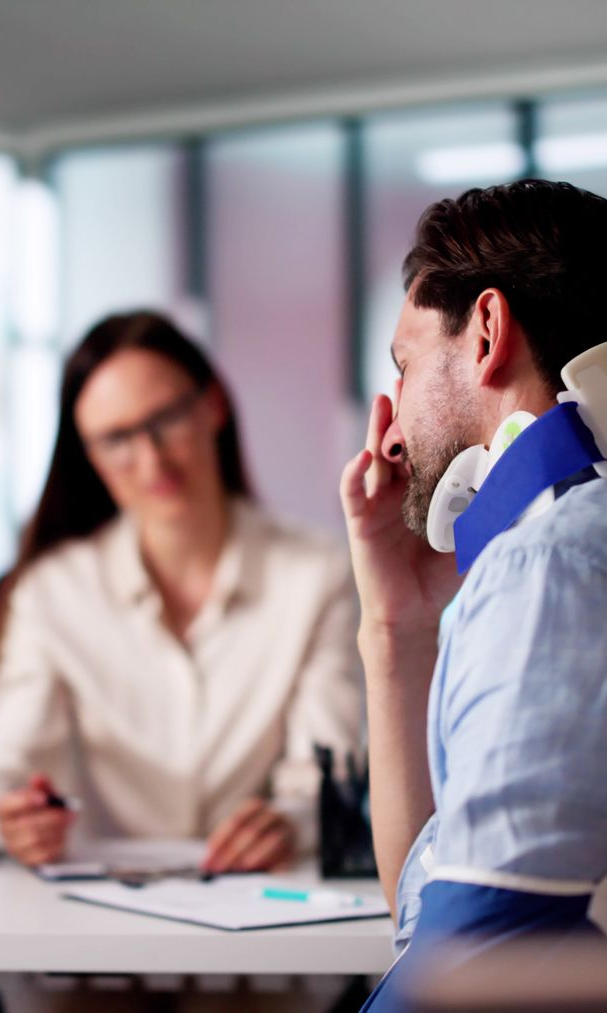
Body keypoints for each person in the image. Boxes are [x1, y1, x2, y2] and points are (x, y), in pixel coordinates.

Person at [339, 180, 607, 1009]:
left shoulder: (556, 569)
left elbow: (475, 972)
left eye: (405, 364)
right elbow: (429, 913)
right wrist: (398, 623)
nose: (389, 431)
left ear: (487, 331)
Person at [0, 309, 361, 875]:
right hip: (100, 934)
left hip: (269, 924)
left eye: (166, 418)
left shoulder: (317, 574)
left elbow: (330, 770)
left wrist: (291, 821)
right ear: (89, 455)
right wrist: (16, 816)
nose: (150, 459)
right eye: (116, 438)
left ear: (213, 405)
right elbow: (14, 760)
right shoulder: (51, 594)